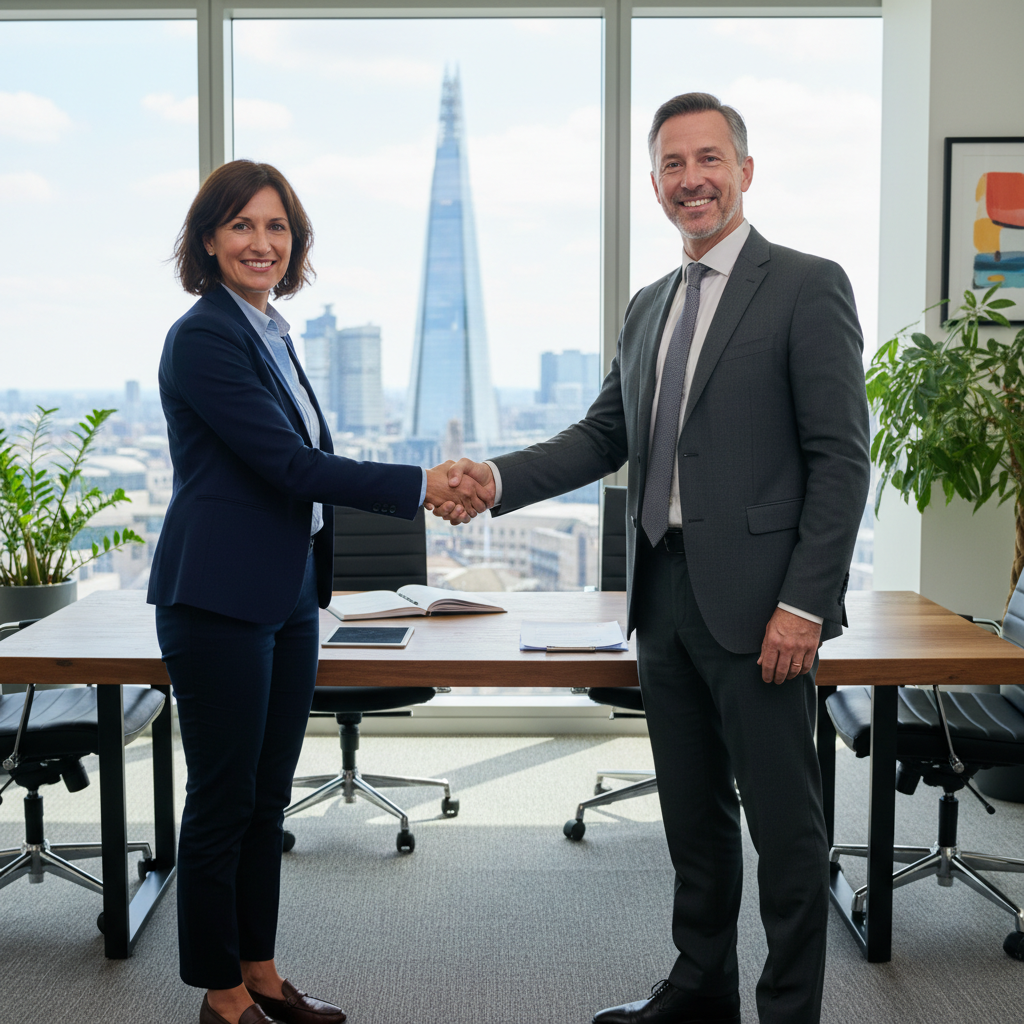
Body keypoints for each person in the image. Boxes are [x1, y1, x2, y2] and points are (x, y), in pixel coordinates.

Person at [435, 93, 870, 1024]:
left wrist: (804, 603)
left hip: (763, 609)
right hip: (662, 595)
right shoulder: (648, 306)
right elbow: (602, 436)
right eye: (673, 166)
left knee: (786, 831)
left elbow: (841, 460)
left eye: (709, 159)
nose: (692, 180)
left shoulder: (806, 283)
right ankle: (700, 986)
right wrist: (494, 478)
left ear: (745, 171)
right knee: (694, 817)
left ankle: (789, 1010)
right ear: (655, 185)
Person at [148, 159, 485, 1024]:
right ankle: (220, 996)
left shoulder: (273, 331)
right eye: (242, 226)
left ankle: (260, 971)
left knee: (266, 796)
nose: (262, 243)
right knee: (223, 798)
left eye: (277, 228)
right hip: (218, 596)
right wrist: (421, 485)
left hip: (291, 592)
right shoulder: (204, 337)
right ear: (209, 240)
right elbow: (288, 465)